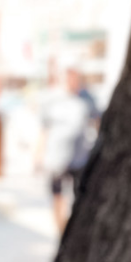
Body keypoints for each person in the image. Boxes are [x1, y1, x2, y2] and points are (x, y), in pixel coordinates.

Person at [38, 63, 97, 233]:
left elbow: (97, 121)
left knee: (80, 195)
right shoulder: (52, 98)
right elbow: (44, 129)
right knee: (58, 195)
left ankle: (75, 229)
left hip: (80, 157)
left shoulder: (87, 98)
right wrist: (39, 155)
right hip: (56, 157)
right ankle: (60, 229)